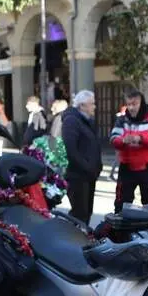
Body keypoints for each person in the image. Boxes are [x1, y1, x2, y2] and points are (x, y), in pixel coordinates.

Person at [110, 89, 148, 213]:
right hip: (127, 167)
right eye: (129, 104)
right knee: (121, 204)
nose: (131, 108)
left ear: (141, 103)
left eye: (134, 104)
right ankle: (120, 231)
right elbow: (113, 138)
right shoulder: (122, 120)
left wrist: (141, 139)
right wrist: (123, 141)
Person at [61, 90, 102, 225]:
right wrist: (87, 166)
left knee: (87, 212)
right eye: (92, 104)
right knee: (79, 213)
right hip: (77, 175)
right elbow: (71, 150)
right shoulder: (71, 121)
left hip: (89, 175)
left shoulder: (86, 121)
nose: (94, 107)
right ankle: (75, 241)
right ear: (82, 106)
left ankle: (84, 239)